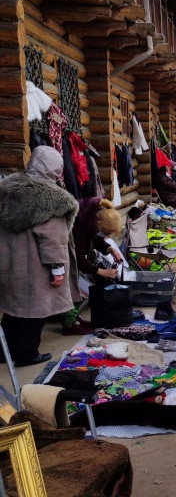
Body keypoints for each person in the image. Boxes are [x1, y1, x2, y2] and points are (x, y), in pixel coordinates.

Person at [0, 146, 79, 367]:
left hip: (9, 265)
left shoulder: (8, 190)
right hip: (35, 267)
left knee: (12, 310)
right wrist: (57, 269)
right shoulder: (50, 199)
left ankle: (3, 351)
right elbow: (52, 239)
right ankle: (26, 354)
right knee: (35, 312)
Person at [73, 197, 124, 284]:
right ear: (99, 224)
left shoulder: (96, 215)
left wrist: (110, 249)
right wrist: (102, 272)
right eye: (107, 233)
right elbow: (77, 256)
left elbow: (96, 240)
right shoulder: (80, 221)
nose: (107, 237)